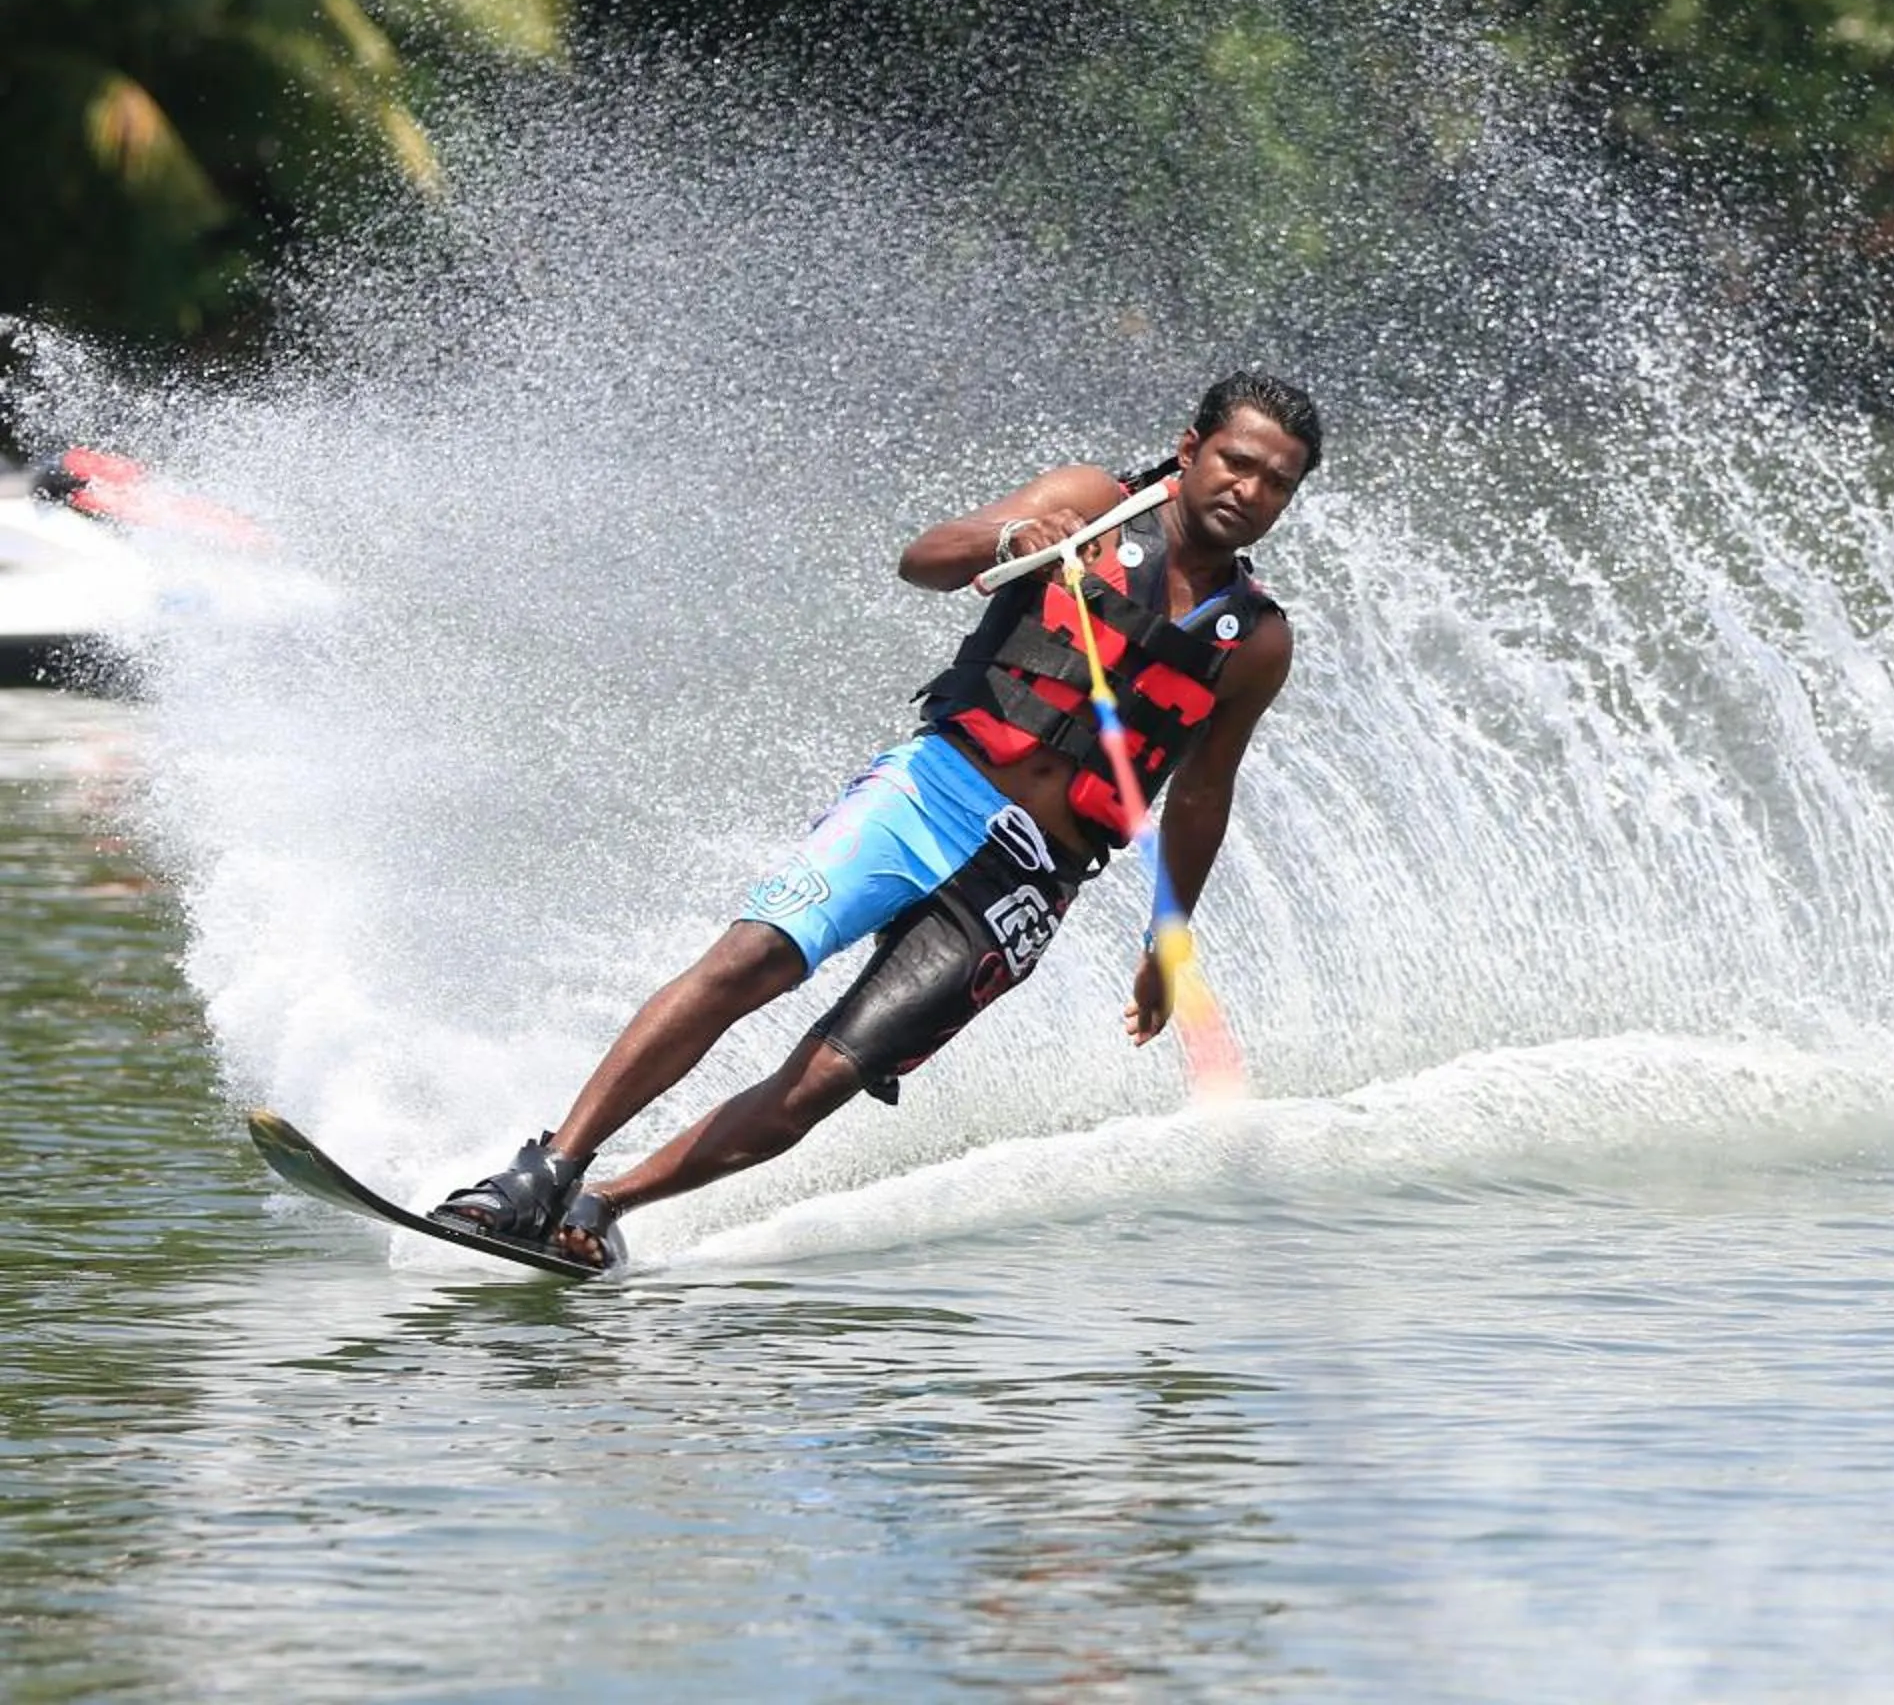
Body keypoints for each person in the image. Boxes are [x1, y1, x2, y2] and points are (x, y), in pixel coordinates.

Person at [431, 372, 1321, 1270]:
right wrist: (1008, 539)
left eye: (1276, 483)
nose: (1249, 491)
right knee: (753, 958)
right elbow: (924, 558)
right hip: (931, 797)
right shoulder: (1090, 503)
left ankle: (605, 1204)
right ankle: (545, 1172)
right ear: (1190, 448)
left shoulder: (1255, 641)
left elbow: (1202, 794)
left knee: (823, 1081)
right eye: (1236, 463)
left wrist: (1168, 937)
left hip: (1029, 879)